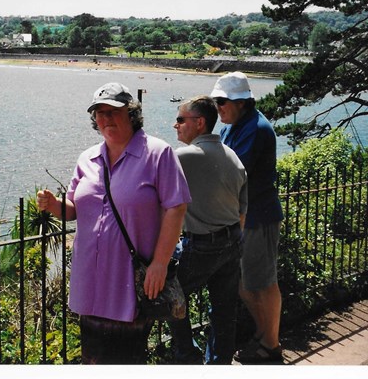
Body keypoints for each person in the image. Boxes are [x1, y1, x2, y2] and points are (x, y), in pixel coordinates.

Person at [36, 82, 191, 364]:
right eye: (100, 113)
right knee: (92, 358)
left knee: (127, 358)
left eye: (113, 111)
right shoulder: (88, 158)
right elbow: (74, 210)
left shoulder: (157, 153)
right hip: (91, 281)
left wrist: (160, 263)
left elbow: (176, 207)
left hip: (129, 282)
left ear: (131, 113)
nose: (106, 119)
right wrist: (55, 205)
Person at [210, 71, 284, 363]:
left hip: (258, 216)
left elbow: (231, 173)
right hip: (245, 215)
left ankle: (271, 344)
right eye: (216, 103)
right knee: (247, 284)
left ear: (241, 102)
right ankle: (265, 336)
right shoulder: (236, 124)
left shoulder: (255, 128)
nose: (218, 109)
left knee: (263, 283)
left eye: (222, 103)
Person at [168, 96, 248, 364]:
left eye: (180, 119)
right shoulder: (232, 156)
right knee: (224, 311)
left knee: (169, 292)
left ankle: (187, 357)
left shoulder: (183, 156)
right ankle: (218, 364)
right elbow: (242, 211)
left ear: (199, 122)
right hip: (232, 241)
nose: (175, 125)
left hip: (202, 245)